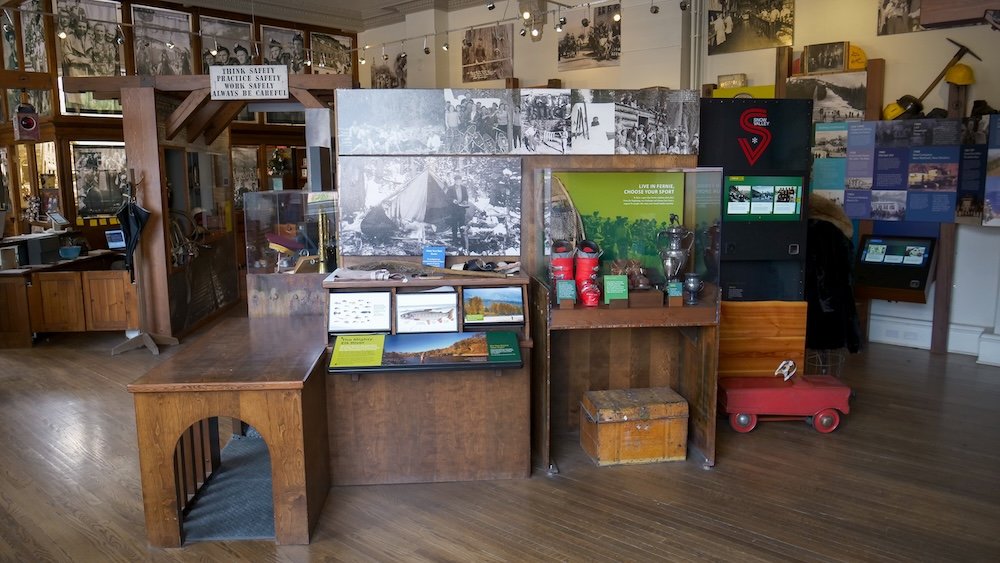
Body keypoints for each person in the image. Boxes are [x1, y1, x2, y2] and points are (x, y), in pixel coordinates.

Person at [805, 193, 862, 359]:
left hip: (812, 305)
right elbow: (844, 279)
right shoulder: (834, 232)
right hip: (831, 306)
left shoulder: (813, 229)